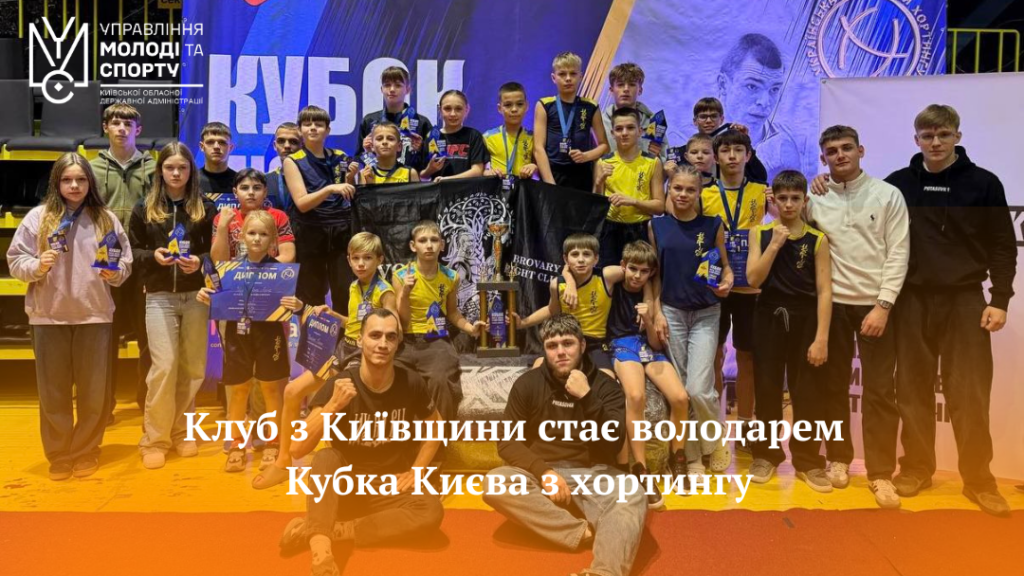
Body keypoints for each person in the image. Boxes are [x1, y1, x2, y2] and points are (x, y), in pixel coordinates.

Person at [885, 105, 1017, 516]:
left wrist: (1000, 299)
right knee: (912, 391)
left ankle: (979, 480)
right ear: (916, 139)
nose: (936, 142)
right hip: (911, 299)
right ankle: (916, 468)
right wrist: (824, 184)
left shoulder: (984, 183)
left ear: (957, 136)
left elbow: (1002, 245)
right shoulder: (898, 184)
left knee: (970, 393)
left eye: (943, 134)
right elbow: (858, 209)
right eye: (927, 136)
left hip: (965, 299)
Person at [278, 309, 444, 575]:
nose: (383, 344)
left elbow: (436, 426)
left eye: (390, 337)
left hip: (387, 487)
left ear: (398, 343)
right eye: (375, 335)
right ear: (360, 339)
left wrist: (417, 470)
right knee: (325, 458)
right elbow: (297, 448)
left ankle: (329, 529)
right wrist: (332, 407)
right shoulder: (340, 384)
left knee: (431, 510)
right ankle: (321, 550)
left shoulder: (411, 382)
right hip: (345, 488)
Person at [484, 316, 645, 576]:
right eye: (552, 345)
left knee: (632, 491)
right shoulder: (527, 384)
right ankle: (582, 532)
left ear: (582, 345)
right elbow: (507, 441)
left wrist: (587, 397)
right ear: (544, 350)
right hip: (541, 475)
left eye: (567, 343)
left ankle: (602, 573)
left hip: (591, 474)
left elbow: (614, 442)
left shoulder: (606, 388)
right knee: (495, 481)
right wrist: (544, 472)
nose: (560, 352)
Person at [7, 153, 132, 480]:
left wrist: (115, 274)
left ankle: (86, 450)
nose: (74, 185)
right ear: (56, 183)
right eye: (67, 180)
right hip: (48, 316)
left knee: (94, 392)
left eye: (80, 179)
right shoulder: (38, 218)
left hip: (94, 315)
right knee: (54, 392)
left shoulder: (105, 219)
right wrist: (37, 265)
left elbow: (125, 261)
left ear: (90, 182)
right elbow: (16, 260)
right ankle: (59, 454)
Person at [806, 125, 909, 507]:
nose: (840, 155)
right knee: (832, 387)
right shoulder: (815, 197)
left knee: (879, 391)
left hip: (875, 307)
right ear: (823, 158)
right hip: (831, 307)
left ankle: (880, 473)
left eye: (847, 148)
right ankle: (838, 458)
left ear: (860, 150)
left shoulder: (887, 195)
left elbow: (898, 252)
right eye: (832, 151)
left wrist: (883, 305)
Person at [253, 232, 398, 490]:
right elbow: (354, 324)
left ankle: (325, 459)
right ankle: (284, 461)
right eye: (356, 258)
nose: (361, 264)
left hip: (363, 359)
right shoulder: (354, 286)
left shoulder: (385, 292)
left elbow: (393, 331)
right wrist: (331, 314)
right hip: (343, 350)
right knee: (291, 391)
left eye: (367, 258)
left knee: (329, 403)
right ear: (348, 260)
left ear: (380, 260)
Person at [744, 170, 833, 493]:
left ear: (805, 200)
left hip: (805, 318)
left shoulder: (817, 239)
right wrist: (775, 245)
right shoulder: (761, 233)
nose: (789, 204)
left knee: (807, 392)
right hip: (768, 315)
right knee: (767, 388)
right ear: (774, 200)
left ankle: (808, 460)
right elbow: (753, 279)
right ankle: (765, 455)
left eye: (795, 198)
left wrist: (821, 338)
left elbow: (824, 290)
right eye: (783, 198)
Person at [131, 142, 215, 470]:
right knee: (164, 367)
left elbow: (216, 253)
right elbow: (132, 251)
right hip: (159, 297)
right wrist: (152, 256)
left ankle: (181, 432)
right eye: (170, 168)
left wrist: (201, 262)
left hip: (196, 297)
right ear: (160, 171)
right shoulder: (144, 207)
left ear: (191, 171)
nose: (176, 173)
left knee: (192, 369)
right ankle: (154, 439)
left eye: (182, 168)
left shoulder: (205, 207)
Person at [199, 210, 303, 473]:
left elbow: (293, 304)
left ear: (273, 240)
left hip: (270, 335)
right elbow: (215, 296)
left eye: (264, 234)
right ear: (242, 236)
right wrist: (207, 296)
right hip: (238, 334)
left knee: (271, 389)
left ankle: (273, 442)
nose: (257, 239)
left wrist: (297, 305)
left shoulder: (281, 273)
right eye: (252, 233)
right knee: (239, 389)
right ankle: (235, 444)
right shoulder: (229, 270)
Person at [651, 165, 733, 479]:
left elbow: (725, 266)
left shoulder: (713, 224)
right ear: (668, 189)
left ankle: (715, 441)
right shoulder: (656, 225)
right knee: (683, 391)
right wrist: (657, 311)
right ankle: (694, 456)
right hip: (671, 311)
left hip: (706, 312)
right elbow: (654, 275)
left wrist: (727, 281)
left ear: (699, 193)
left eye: (690, 190)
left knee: (700, 389)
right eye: (677, 188)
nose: (683, 194)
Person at [700, 129, 772, 463]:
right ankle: (715, 427)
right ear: (716, 157)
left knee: (747, 357)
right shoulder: (704, 193)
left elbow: (788, 217)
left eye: (738, 150)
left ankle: (744, 427)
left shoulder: (762, 192)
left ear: (748, 155)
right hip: (715, 286)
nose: (732, 156)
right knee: (713, 356)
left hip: (750, 287)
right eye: (725, 150)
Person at [607, 240, 689, 509]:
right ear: (624, 266)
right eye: (633, 269)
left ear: (651, 273)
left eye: (644, 271)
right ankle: (640, 468)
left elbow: (655, 343)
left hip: (647, 346)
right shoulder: (613, 284)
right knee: (635, 396)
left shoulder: (649, 293)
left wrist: (649, 320)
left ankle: (678, 457)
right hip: (621, 344)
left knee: (680, 397)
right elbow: (603, 271)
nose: (637, 276)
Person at [91, 103, 154, 418]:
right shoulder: (91, 168)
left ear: (137, 130)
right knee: (105, 337)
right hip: (106, 262)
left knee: (148, 337)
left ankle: (148, 404)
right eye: (115, 123)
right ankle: (103, 406)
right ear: (105, 127)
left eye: (128, 124)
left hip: (142, 262)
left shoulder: (154, 168)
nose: (121, 128)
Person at [392, 221, 486, 420]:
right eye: (422, 240)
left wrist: (470, 328)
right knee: (392, 379)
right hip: (405, 341)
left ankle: (441, 435)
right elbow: (402, 319)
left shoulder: (451, 277)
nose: (429, 245)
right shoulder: (400, 276)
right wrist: (405, 292)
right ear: (413, 246)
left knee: (441, 380)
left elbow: (452, 313)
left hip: (436, 341)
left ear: (442, 245)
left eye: (434, 240)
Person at [283, 105, 359, 316]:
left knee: (345, 291)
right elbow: (302, 203)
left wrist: (351, 178)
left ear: (328, 130)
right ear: (300, 130)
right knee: (310, 294)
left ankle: (344, 336)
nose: (313, 128)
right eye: (307, 124)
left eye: (318, 124)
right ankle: (311, 337)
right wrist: (329, 189)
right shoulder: (292, 161)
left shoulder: (340, 156)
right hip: (310, 230)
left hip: (341, 229)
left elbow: (349, 192)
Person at [517, 233, 616, 377]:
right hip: (565, 340)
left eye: (586, 254)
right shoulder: (557, 284)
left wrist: (650, 299)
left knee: (607, 379)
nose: (581, 259)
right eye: (574, 254)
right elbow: (551, 310)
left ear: (596, 259)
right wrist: (522, 323)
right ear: (566, 259)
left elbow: (638, 271)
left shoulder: (606, 276)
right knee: (535, 375)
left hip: (595, 344)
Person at [716, 33, 800, 181]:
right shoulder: (698, 143)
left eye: (774, 89)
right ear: (723, 85)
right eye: (752, 86)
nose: (764, 101)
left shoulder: (782, 148)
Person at [594, 107, 665, 267]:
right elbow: (597, 206)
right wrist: (599, 182)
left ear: (640, 131)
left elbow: (660, 207)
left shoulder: (652, 162)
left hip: (640, 228)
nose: (624, 133)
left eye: (630, 128)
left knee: (638, 276)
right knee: (607, 275)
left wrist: (633, 201)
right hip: (610, 229)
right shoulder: (603, 162)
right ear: (612, 133)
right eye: (619, 129)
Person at [534, 52, 609, 191]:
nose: (568, 78)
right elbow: (538, 148)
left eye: (573, 74)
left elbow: (604, 145)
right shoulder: (544, 105)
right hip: (552, 173)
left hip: (582, 175)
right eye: (562, 74)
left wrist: (586, 156)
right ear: (554, 78)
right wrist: (550, 183)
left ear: (580, 76)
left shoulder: (591, 106)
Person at [665, 97, 766, 182]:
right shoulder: (678, 154)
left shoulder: (730, 153)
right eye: (703, 117)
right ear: (695, 121)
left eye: (713, 116)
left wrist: (745, 143)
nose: (709, 121)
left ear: (721, 119)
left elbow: (760, 177)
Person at [357, 66, 433, 172]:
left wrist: (420, 150)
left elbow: (430, 165)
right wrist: (368, 153)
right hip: (378, 180)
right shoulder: (369, 121)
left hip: (411, 181)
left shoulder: (422, 123)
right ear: (381, 89)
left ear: (408, 89)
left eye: (398, 85)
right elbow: (360, 161)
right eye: (387, 85)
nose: (392, 89)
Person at [211, 169, 295, 262]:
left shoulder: (279, 216)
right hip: (232, 271)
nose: (251, 192)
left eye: (257, 188)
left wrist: (257, 269)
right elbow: (217, 261)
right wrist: (223, 226)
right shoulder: (222, 218)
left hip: (269, 270)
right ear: (235, 192)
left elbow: (288, 257)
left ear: (265, 192)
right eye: (244, 188)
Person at [600, 63, 669, 163]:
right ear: (611, 90)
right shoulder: (600, 122)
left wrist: (658, 159)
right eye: (620, 85)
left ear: (640, 90)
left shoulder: (654, 123)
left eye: (632, 84)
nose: (626, 89)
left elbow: (666, 160)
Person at [419, 89, 486, 182]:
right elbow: (422, 175)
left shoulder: (474, 135)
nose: (453, 114)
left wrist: (447, 180)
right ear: (440, 110)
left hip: (467, 190)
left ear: (467, 110)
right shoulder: (431, 138)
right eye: (447, 108)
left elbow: (477, 171)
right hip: (439, 190)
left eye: (458, 109)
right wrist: (430, 170)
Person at [483, 82, 537, 186]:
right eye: (508, 105)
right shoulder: (487, 137)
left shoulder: (533, 137)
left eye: (519, 104)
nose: (514, 109)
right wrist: (487, 173)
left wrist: (534, 168)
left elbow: (540, 168)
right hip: (496, 191)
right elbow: (480, 170)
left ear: (526, 106)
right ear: (499, 108)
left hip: (524, 191)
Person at [265, 122, 303, 210]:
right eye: (281, 141)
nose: (287, 146)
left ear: (302, 146)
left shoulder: (313, 179)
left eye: (293, 142)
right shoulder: (264, 180)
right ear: (275, 146)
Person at [197, 121, 238, 198]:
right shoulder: (190, 180)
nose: (216, 147)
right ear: (202, 147)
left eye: (222, 142)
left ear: (230, 148)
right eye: (210, 142)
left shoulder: (240, 181)